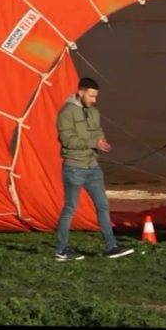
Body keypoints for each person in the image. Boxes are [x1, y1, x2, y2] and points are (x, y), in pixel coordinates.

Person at [53, 77, 134, 261]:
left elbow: (98, 131)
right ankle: (61, 249)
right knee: (70, 208)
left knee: (103, 205)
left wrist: (101, 142)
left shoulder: (94, 112)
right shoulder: (66, 113)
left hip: (93, 167)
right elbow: (67, 141)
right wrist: (93, 142)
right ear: (80, 92)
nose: (94, 100)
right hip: (74, 168)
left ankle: (111, 247)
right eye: (91, 96)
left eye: (95, 96)